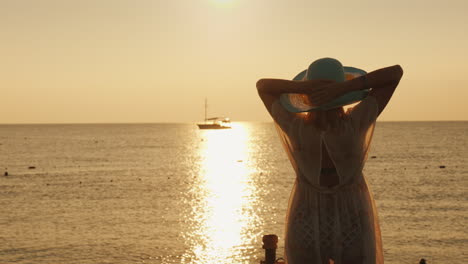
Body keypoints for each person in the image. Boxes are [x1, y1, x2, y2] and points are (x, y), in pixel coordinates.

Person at [256, 58, 403, 264]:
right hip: (333, 209)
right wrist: (336, 88)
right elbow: (394, 74)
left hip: (327, 209)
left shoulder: (297, 125)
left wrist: (308, 88)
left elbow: (264, 87)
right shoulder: (354, 121)